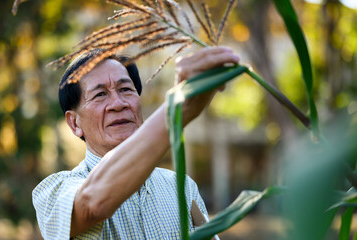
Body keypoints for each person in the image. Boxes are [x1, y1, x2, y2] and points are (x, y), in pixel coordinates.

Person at [32, 46, 240, 239]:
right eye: (100, 94)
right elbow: (92, 204)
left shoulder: (182, 187)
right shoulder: (54, 192)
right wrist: (177, 111)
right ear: (74, 123)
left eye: (126, 90)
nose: (118, 103)